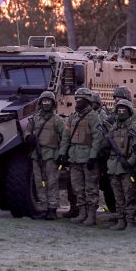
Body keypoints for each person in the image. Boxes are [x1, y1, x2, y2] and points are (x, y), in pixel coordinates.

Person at [59, 88, 104, 226]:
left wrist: (93, 157)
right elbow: (66, 137)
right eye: (76, 98)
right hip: (74, 157)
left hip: (88, 157)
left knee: (90, 188)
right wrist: (62, 153)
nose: (77, 100)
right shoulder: (73, 116)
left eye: (80, 98)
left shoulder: (94, 117)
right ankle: (82, 213)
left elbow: (98, 138)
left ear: (87, 100)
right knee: (77, 188)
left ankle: (91, 215)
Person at [23, 91, 65, 220]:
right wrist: (28, 137)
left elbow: (64, 138)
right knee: (39, 182)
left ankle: (52, 209)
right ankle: (43, 207)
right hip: (37, 154)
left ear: (53, 103)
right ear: (41, 103)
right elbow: (27, 132)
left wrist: (62, 154)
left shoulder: (58, 120)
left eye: (49, 101)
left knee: (51, 182)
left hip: (51, 154)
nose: (46, 103)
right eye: (44, 101)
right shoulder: (35, 118)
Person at [105, 98, 136, 230]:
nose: (121, 113)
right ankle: (121, 220)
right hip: (114, 166)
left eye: (123, 110)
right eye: (119, 110)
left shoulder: (134, 128)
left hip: (127, 167)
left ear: (129, 112)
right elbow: (107, 145)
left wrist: (130, 162)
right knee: (118, 196)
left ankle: (130, 221)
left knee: (129, 195)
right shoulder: (113, 128)